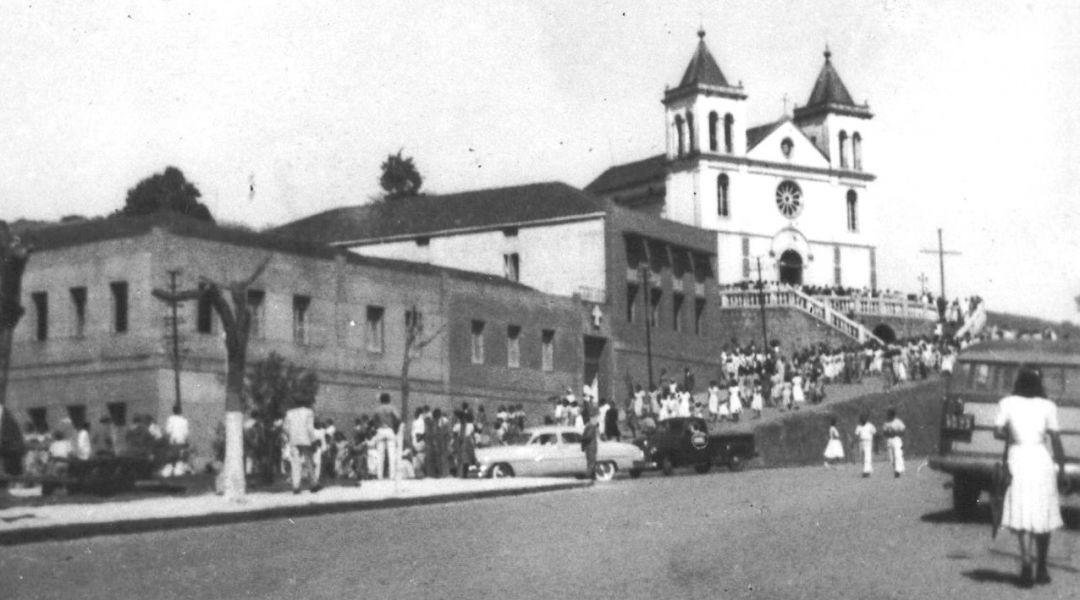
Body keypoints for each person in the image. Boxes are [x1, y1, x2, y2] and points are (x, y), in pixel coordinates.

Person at [994, 366, 1066, 587]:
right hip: (1040, 459)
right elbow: (1055, 438)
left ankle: (1026, 560)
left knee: (1022, 511)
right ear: (1039, 384)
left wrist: (1013, 434)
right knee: (1043, 513)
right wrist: (1062, 468)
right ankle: (1042, 566)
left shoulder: (1007, 403)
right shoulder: (1048, 406)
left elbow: (997, 431)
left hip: (1017, 458)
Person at [283, 398, 320, 494]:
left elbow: (285, 427)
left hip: (294, 440)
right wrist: (313, 440)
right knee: (309, 462)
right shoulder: (308, 412)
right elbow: (310, 428)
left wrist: (290, 435)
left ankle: (296, 486)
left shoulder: (289, 413)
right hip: (305, 439)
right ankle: (313, 484)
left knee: (295, 464)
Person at [373, 393, 400, 480]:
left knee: (380, 454)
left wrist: (377, 426)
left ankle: (379, 476)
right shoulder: (391, 408)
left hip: (380, 430)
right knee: (392, 454)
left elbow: (373, 420)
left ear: (381, 400)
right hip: (389, 429)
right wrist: (395, 428)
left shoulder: (377, 409)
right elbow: (398, 418)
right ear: (389, 399)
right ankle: (392, 476)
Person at [164, 405, 191, 477]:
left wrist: (167, 441)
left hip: (173, 441)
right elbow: (186, 433)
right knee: (180, 457)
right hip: (181, 441)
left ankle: (171, 472)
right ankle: (178, 471)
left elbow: (168, 431)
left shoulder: (170, 419)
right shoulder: (184, 420)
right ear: (180, 411)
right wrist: (186, 442)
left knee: (172, 457)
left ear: (173, 411)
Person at [882, 408, 906, 478]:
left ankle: (898, 470)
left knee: (898, 454)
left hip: (896, 439)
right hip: (889, 440)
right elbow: (884, 433)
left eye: (889, 414)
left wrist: (897, 433)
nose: (888, 416)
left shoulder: (898, 422)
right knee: (891, 457)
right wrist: (888, 433)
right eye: (887, 415)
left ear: (893, 415)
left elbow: (903, 430)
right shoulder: (886, 423)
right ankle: (896, 468)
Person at [854, 413, 876, 478]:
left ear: (866, 419)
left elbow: (874, 432)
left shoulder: (870, 426)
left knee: (867, 456)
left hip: (868, 442)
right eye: (861, 418)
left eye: (864, 418)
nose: (862, 420)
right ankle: (867, 470)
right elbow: (856, 435)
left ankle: (866, 472)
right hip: (861, 443)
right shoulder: (859, 426)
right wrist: (853, 442)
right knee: (862, 457)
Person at [580, 408, 599, 480]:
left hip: (590, 445)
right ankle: (592, 475)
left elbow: (588, 436)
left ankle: (588, 475)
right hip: (590, 445)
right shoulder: (590, 425)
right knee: (591, 461)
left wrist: (582, 440)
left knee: (591, 461)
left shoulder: (590, 426)